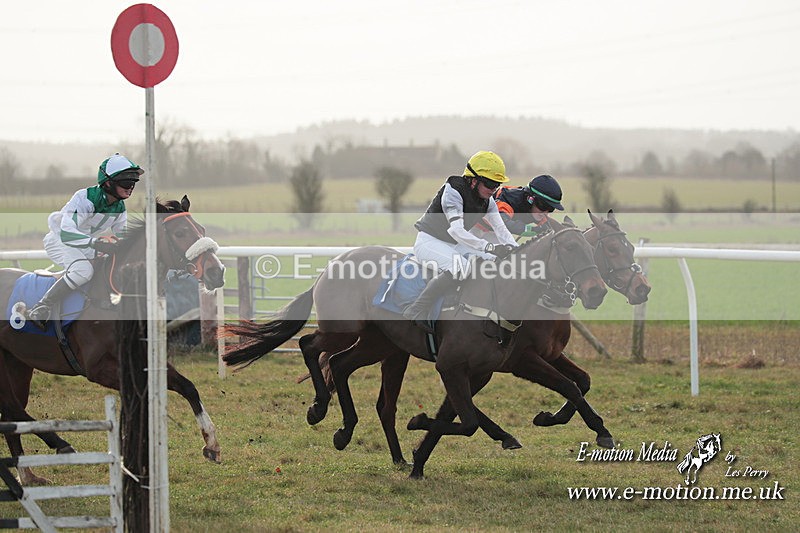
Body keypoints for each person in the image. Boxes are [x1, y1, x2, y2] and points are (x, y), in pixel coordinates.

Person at [402, 150, 519, 329]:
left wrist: (517, 250)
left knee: (494, 261)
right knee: (460, 267)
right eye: (489, 183)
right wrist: (489, 247)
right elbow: (457, 231)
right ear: (473, 180)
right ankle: (416, 309)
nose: (493, 189)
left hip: (454, 245)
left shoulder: (488, 201)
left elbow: (501, 230)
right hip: (429, 242)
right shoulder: (453, 191)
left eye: (497, 184)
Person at [27, 153, 143, 328]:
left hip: (86, 244)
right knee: (83, 271)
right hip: (60, 240)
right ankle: (42, 307)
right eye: (126, 183)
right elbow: (67, 233)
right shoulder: (85, 198)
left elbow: (124, 238)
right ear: (109, 183)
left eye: (133, 183)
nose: (131, 187)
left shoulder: (119, 207)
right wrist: (96, 243)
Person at [472, 174, 565, 243]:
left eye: (551, 208)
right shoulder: (508, 200)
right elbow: (502, 223)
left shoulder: (537, 209)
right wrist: (534, 230)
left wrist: (566, 229)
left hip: (494, 232)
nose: (545, 212)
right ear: (530, 199)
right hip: (473, 227)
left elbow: (549, 225)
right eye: (544, 206)